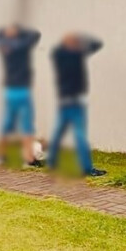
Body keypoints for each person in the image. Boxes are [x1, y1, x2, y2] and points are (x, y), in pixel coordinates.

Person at [47, 32, 105, 177]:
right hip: (75, 102)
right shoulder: (75, 55)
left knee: (59, 132)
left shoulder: (59, 54)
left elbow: (96, 44)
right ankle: (87, 168)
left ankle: (52, 162)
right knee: (80, 135)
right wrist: (82, 39)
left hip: (64, 100)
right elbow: (96, 44)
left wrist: (74, 41)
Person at [0, 24, 41, 166]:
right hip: (22, 90)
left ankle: (1, 156)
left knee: (6, 125)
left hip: (10, 91)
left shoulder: (3, 45)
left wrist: (4, 31)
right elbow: (35, 33)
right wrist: (20, 30)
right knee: (27, 125)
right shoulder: (22, 45)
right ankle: (29, 159)